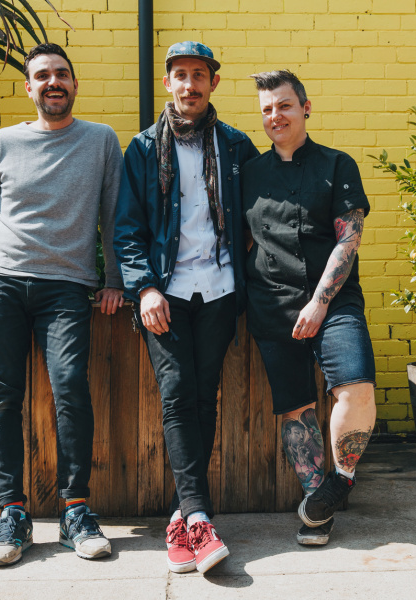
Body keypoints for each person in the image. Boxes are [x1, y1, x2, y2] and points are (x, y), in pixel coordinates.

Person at [0, 43, 123, 567]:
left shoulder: (101, 140)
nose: (53, 82)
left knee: (70, 386)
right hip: (0, 279)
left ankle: (75, 511)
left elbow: (112, 217)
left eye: (61, 74)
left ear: (74, 84)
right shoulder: (3, 142)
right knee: (2, 393)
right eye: (42, 75)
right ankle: (13, 513)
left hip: (66, 284)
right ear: (29, 88)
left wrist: (114, 281)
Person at [113, 41, 259, 575]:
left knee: (203, 397)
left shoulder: (237, 146)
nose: (189, 85)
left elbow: (259, 217)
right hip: (166, 293)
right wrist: (144, 288)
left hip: (219, 289)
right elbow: (127, 229)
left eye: (199, 75)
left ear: (213, 83)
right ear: (168, 83)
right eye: (180, 75)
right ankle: (199, 515)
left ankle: (182, 520)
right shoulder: (142, 149)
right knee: (177, 395)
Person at [242, 70, 377, 546]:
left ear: (305, 107)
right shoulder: (250, 174)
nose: (275, 116)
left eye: (284, 105)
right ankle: (317, 510)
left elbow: (349, 240)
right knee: (296, 409)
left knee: (356, 388)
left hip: (334, 302)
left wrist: (320, 303)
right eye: (267, 109)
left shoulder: (337, 165)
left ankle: (341, 482)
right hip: (271, 305)